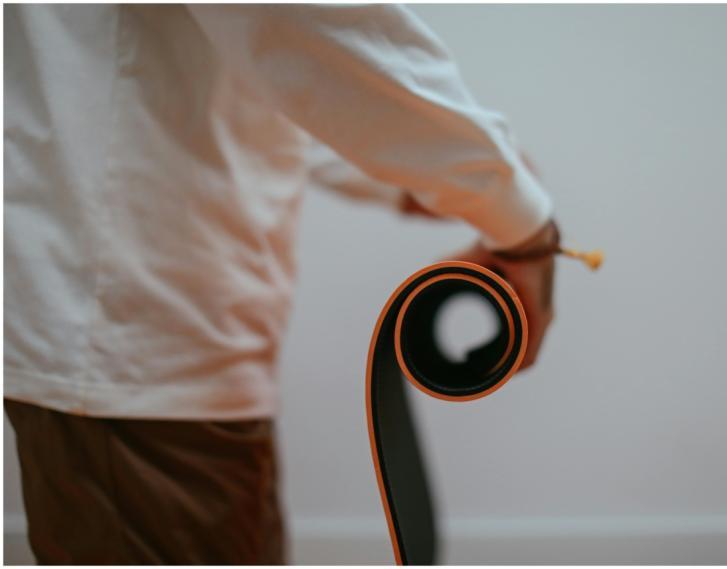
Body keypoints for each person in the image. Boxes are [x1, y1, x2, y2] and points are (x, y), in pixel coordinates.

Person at [5, 4, 559, 564]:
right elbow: (306, 21)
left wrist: (421, 178)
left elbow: (251, 67)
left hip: (169, 341)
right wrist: (516, 215)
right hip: (139, 346)